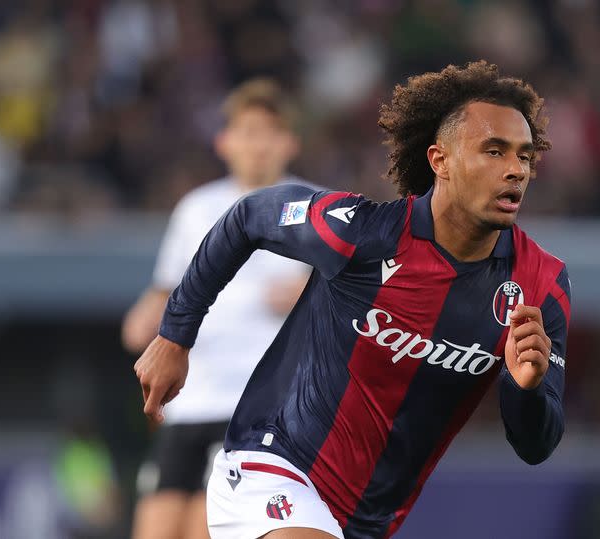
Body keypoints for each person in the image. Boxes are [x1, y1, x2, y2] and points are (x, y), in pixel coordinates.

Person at [134, 61, 571, 539]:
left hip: (368, 521)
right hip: (273, 466)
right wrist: (175, 336)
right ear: (439, 160)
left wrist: (526, 390)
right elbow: (247, 218)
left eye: (525, 157)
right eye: (494, 151)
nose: (515, 170)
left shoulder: (540, 285)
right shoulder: (364, 232)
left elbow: (536, 444)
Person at [123, 78, 311, 539]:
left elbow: (357, 293)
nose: (258, 145)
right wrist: (144, 317)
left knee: (205, 529)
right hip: (191, 398)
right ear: (224, 142)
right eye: (247, 132)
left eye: (268, 132)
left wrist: (311, 288)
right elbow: (165, 289)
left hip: (262, 404)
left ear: (289, 142)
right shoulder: (196, 208)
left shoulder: (318, 207)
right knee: (154, 528)